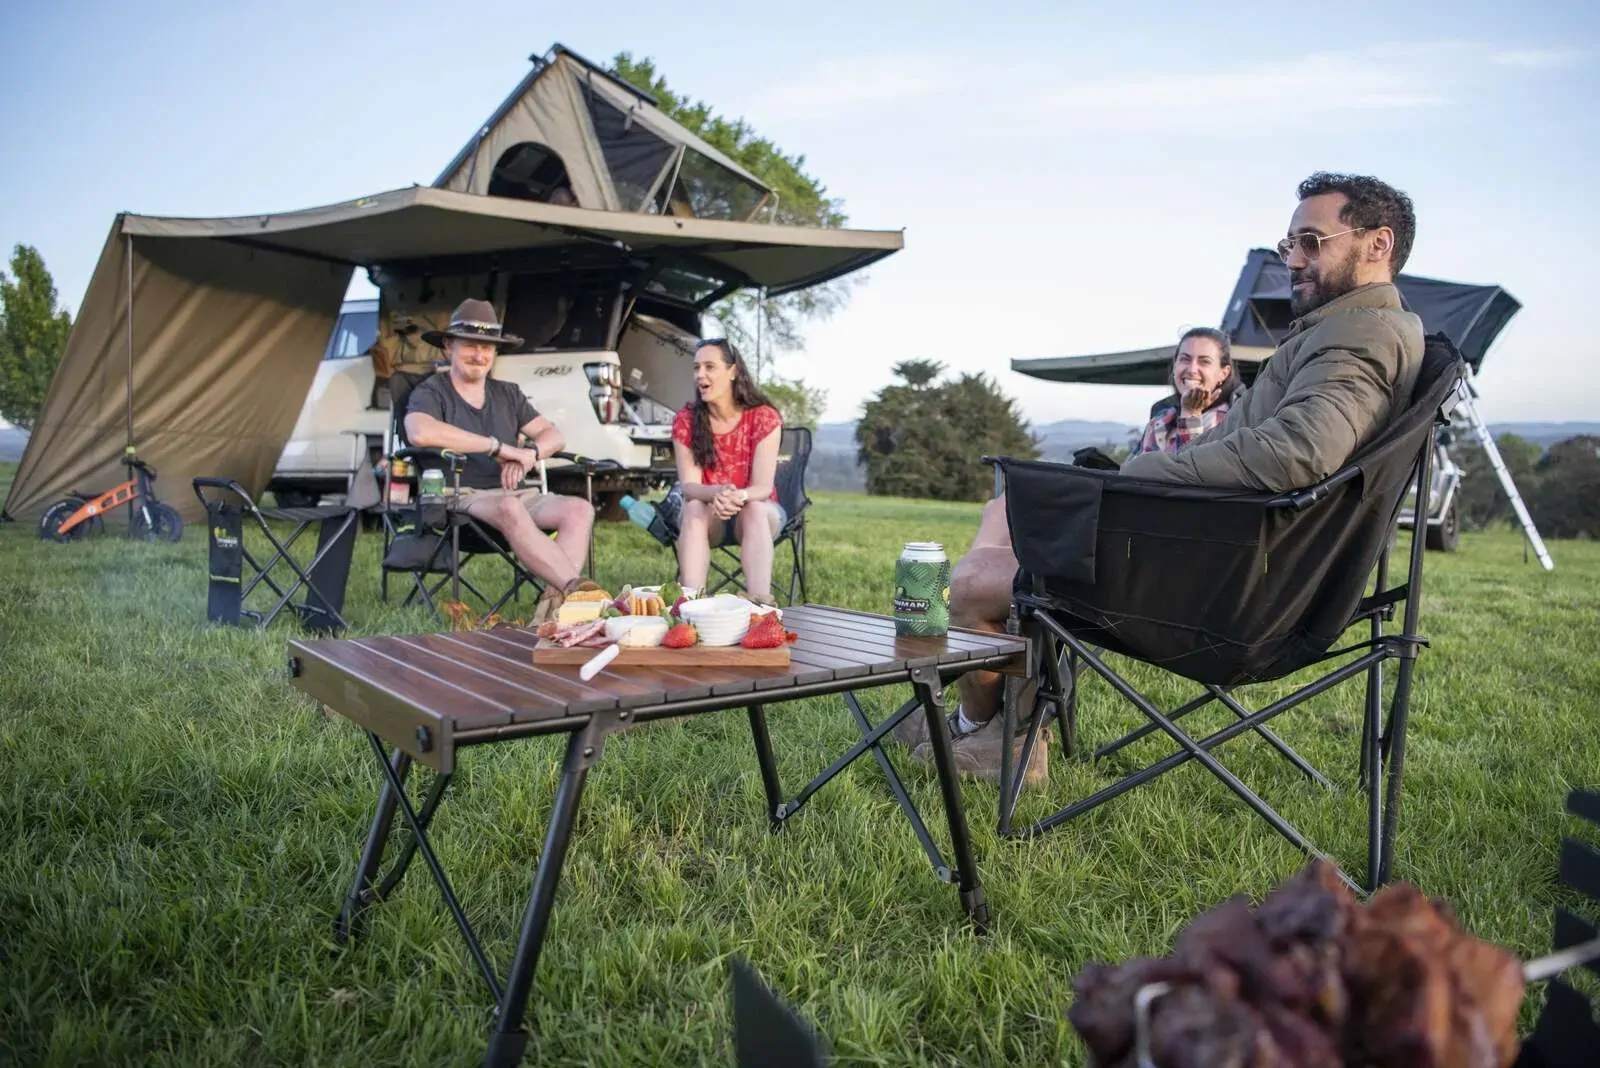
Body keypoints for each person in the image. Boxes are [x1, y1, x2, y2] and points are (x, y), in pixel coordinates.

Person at [903, 172, 1426, 787]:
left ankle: (985, 729)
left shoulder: (1360, 335)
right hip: (1235, 563)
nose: (1292, 260)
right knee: (1014, 520)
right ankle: (999, 728)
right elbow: (1263, 450)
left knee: (971, 584)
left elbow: (1298, 453)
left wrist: (1141, 475)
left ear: (1378, 243)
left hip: (1230, 594)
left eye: (1311, 241)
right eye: (1289, 244)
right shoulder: (1346, 331)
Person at [402, 299, 597, 612]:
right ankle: (575, 590)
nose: (479, 355)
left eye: (487, 348)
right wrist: (498, 447)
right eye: (470, 346)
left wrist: (530, 454)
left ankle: (554, 607)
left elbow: (553, 435)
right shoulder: (432, 391)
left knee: (579, 509)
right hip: (458, 496)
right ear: (448, 346)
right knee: (509, 507)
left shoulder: (508, 393)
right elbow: (419, 432)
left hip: (514, 494)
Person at [668, 339, 787, 604]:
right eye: (696, 367)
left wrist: (738, 496)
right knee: (693, 507)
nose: (700, 375)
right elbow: (689, 487)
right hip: (709, 515)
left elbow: (763, 487)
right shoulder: (686, 420)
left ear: (733, 371)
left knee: (754, 507)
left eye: (709, 367)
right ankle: (691, 605)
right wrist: (718, 492)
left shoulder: (763, 417)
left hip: (759, 513)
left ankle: (760, 604)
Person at [1134, 327, 1240, 455]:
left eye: (1204, 361)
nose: (1192, 369)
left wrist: (1191, 415)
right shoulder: (1158, 422)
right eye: (1185, 359)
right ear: (1175, 365)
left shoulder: (1234, 424)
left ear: (1224, 373)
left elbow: (1191, 466)